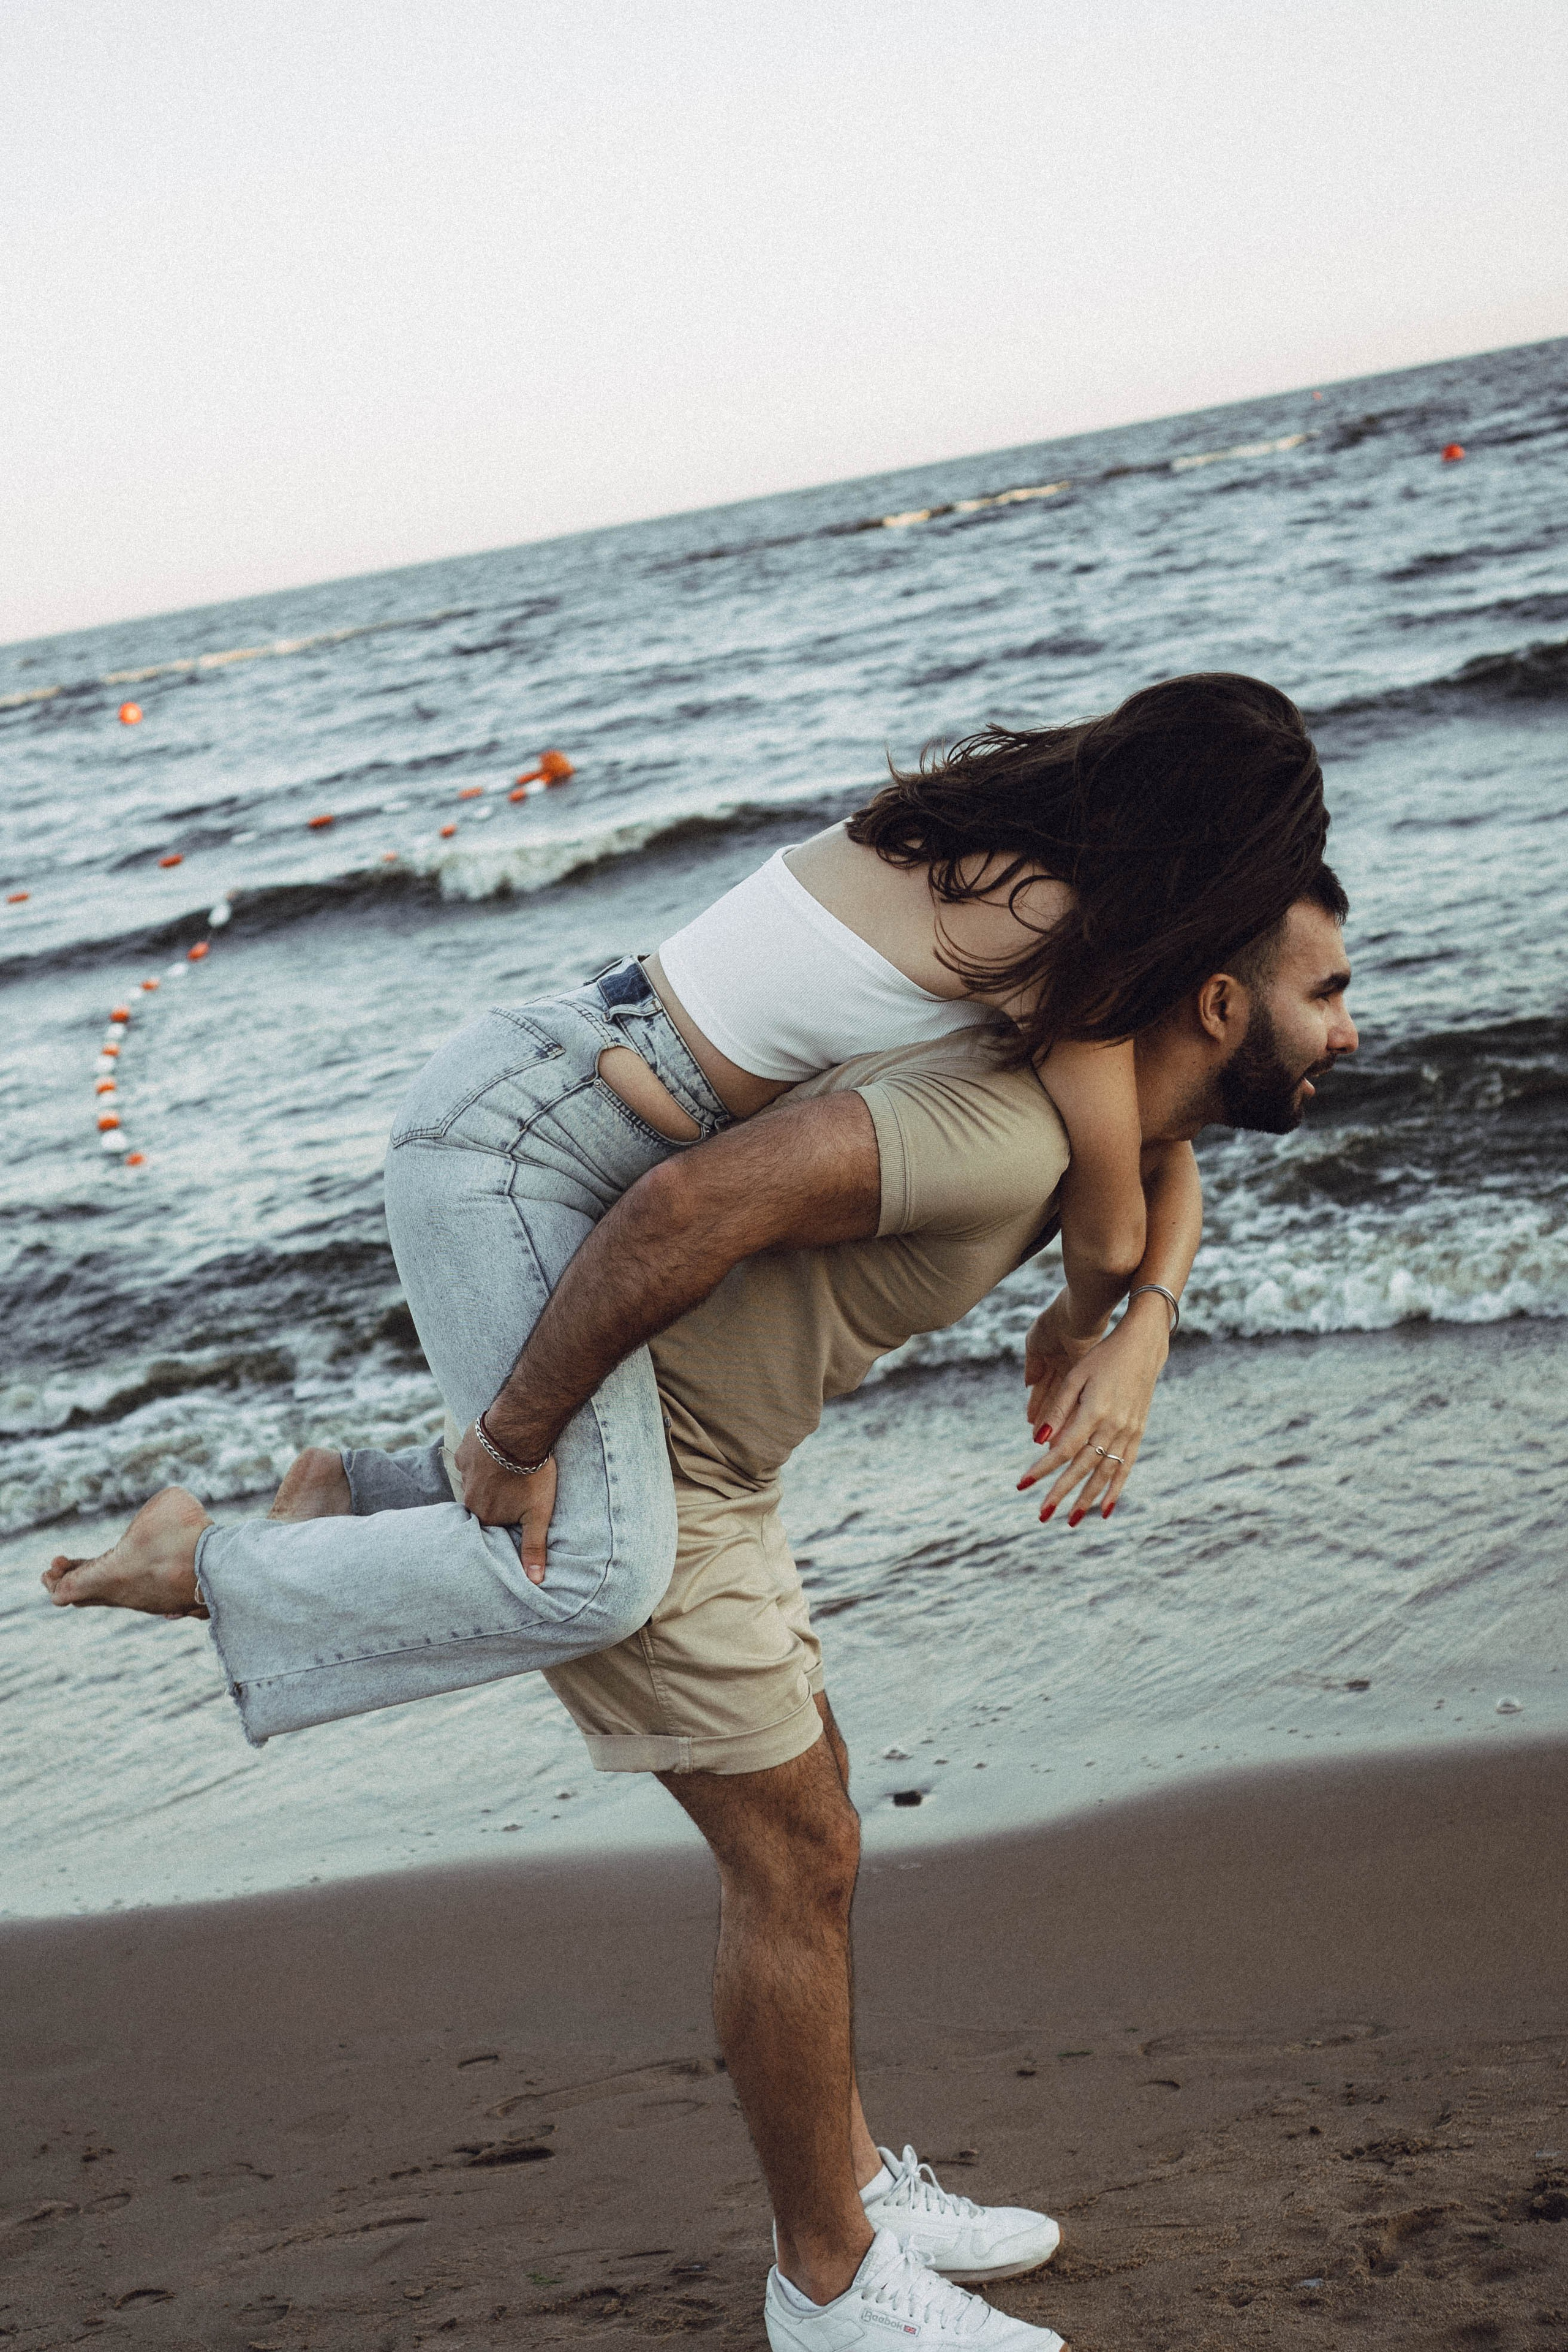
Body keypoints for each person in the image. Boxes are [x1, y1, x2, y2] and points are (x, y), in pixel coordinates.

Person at [44, 870, 1357, 2352]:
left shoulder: (1099, 1114)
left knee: (817, 1831)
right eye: (1329, 994)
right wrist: (522, 1435)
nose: (1352, 1030)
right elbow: (686, 1207)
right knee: (792, 1861)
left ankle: (852, 2189)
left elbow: (1161, 1167)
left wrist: (1134, 1325)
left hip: (723, 1478)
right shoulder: (988, 1133)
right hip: (654, 1483)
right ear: (1219, 1005)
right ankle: (827, 2282)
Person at [43, 673, 1330, 1714]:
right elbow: (1113, 1203)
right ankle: (201, 1563)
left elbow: (1155, 1151)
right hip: (513, 1144)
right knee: (596, 1576)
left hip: (554, 1097)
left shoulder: (991, 857)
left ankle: (356, 1497)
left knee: (585, 1524)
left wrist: (1133, 1315)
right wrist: (1083, 1326)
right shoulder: (1050, 925)